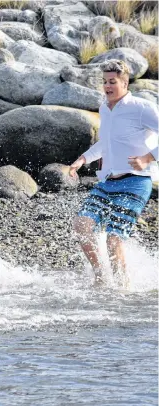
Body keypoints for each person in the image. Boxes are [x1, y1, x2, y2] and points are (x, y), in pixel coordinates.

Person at [69, 59, 158, 288]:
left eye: (113, 82)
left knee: (113, 238)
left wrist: (147, 158)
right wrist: (83, 159)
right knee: (81, 226)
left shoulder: (141, 108)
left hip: (136, 183)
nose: (107, 86)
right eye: (105, 82)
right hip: (108, 182)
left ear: (125, 82)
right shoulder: (104, 108)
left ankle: (122, 289)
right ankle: (100, 277)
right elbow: (105, 143)